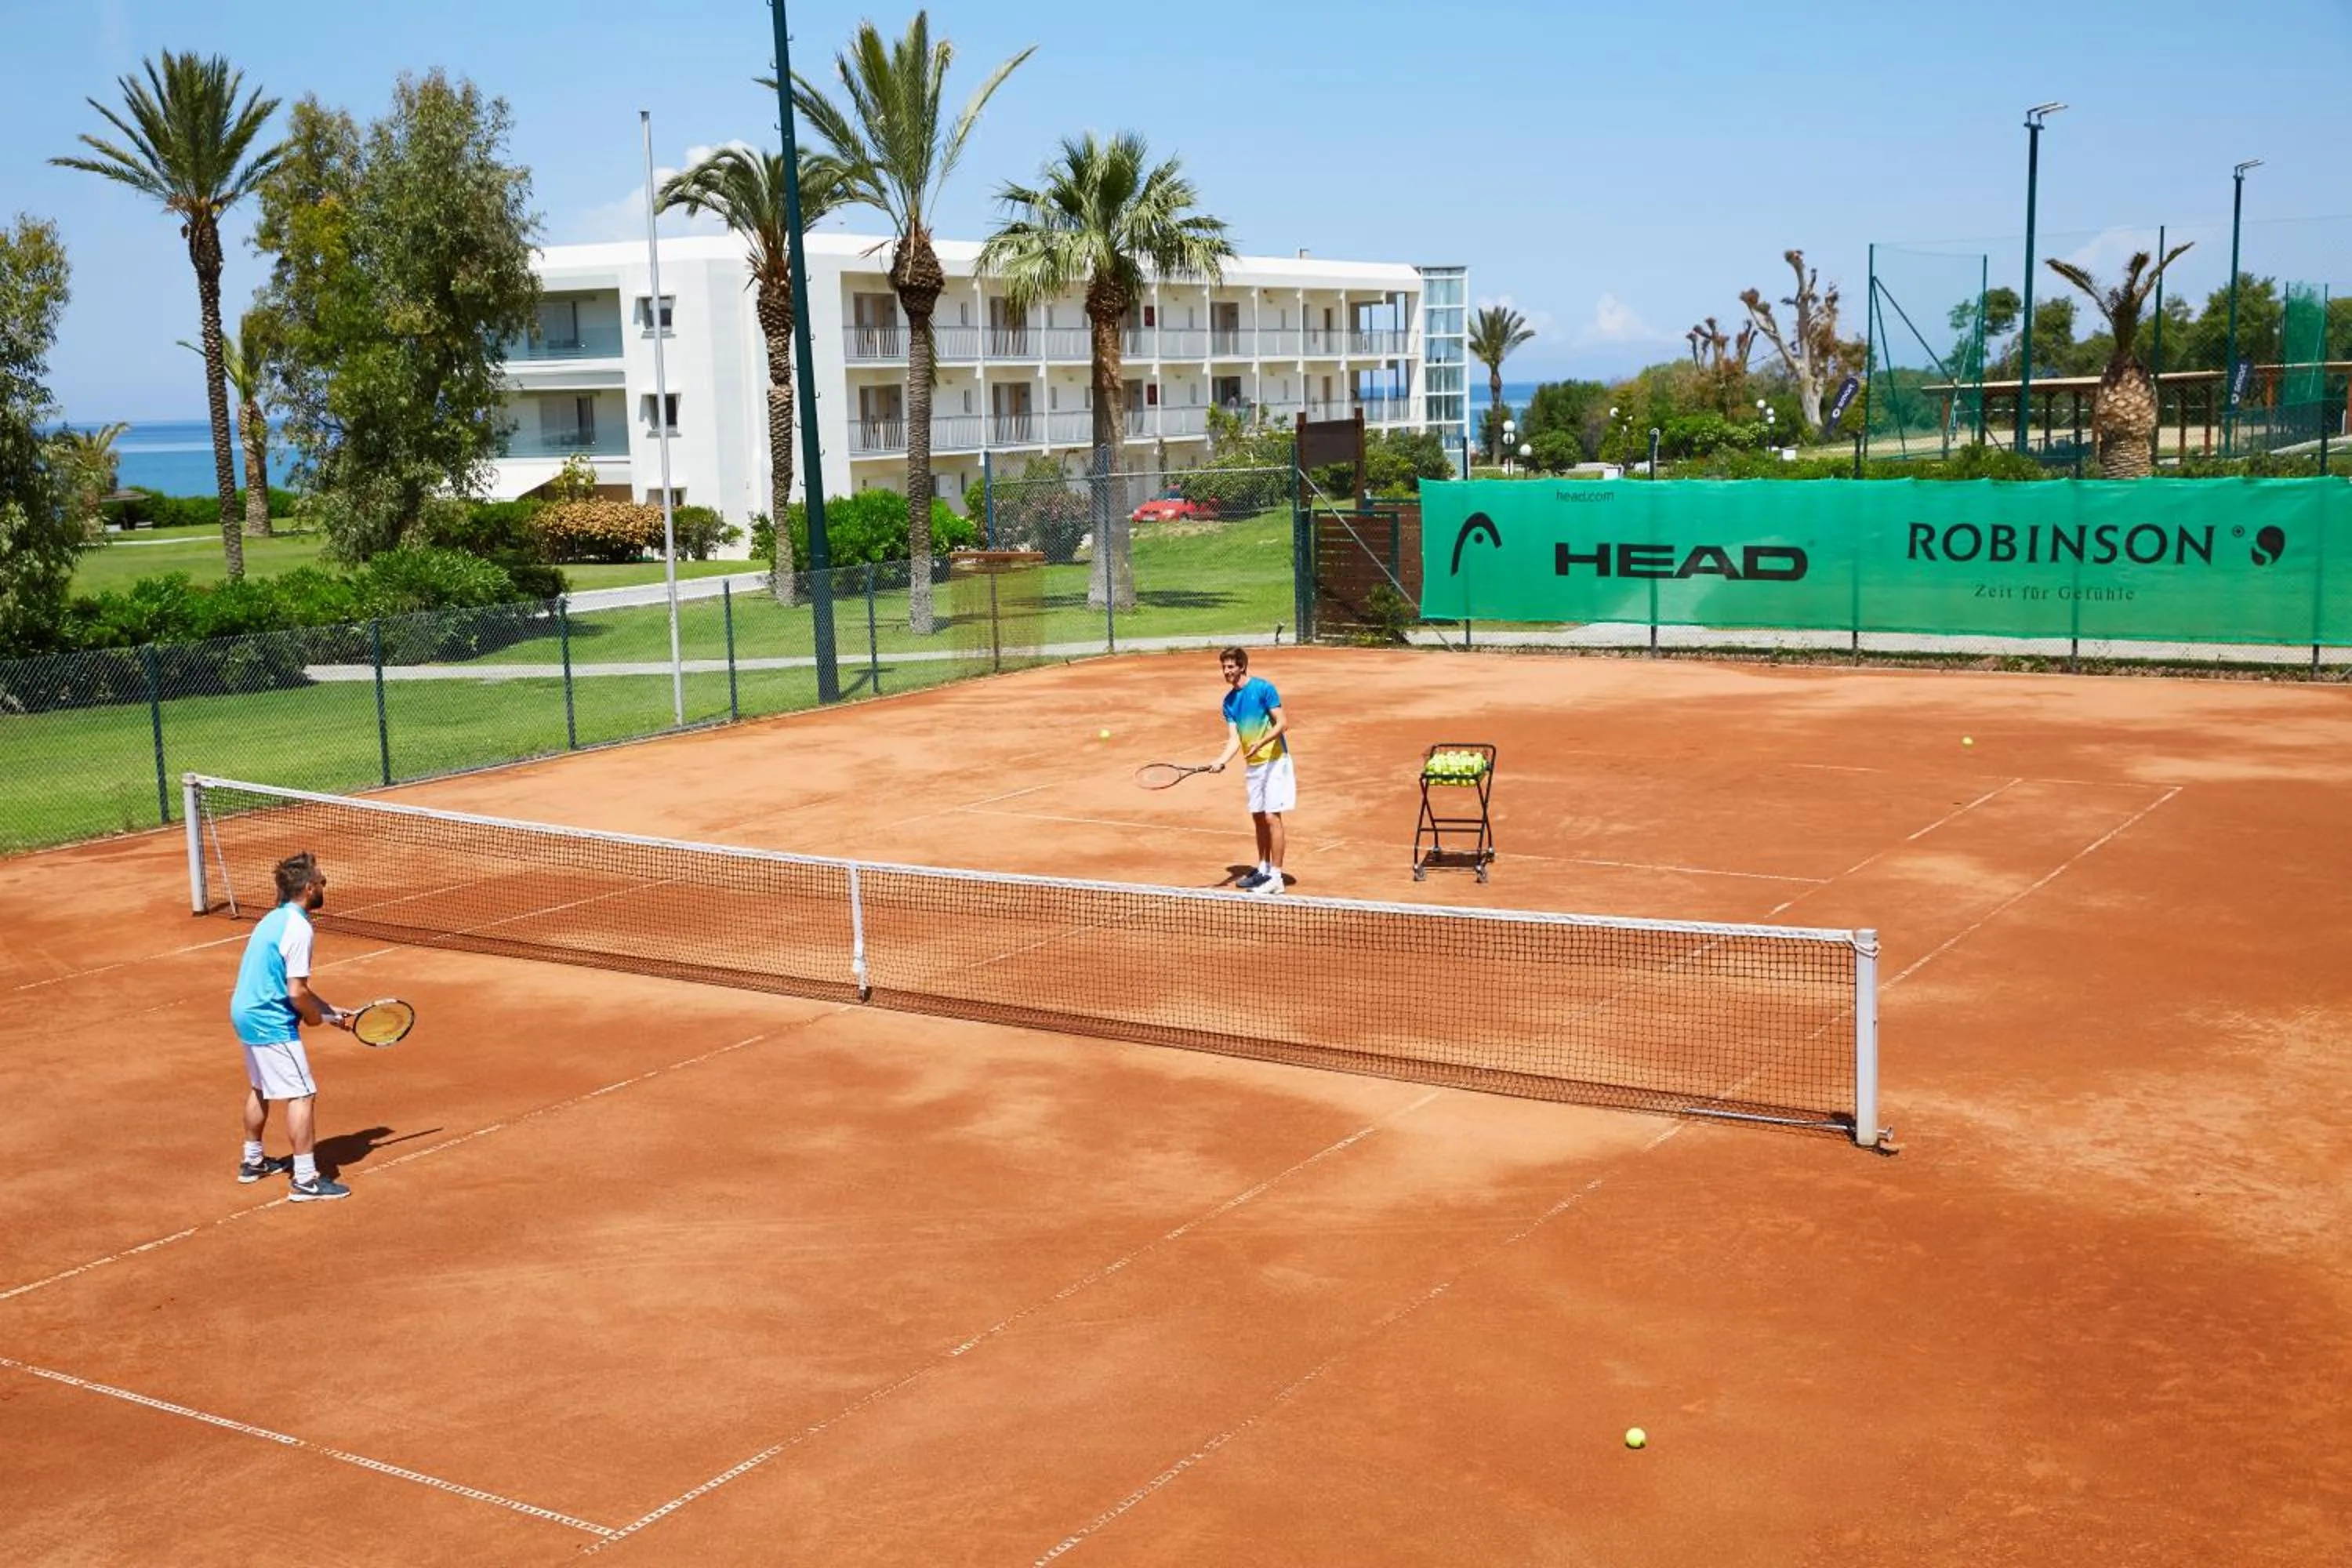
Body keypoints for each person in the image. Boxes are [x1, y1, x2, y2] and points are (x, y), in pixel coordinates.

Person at [229, 851, 354, 1201]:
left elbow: (294, 986)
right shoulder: (300, 928)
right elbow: (296, 992)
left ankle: (252, 1162)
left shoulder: (273, 919)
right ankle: (305, 1179)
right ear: (309, 887)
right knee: (302, 1093)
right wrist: (314, 1018)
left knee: (261, 1086)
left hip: (245, 1012)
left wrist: (328, 1012)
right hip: (270, 1020)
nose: (324, 886)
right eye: (323, 882)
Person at [1207, 646, 1294, 895]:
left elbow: (1283, 723)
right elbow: (1234, 739)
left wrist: (1261, 742)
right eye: (1224, 667)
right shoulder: (1228, 702)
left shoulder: (1264, 688)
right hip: (1254, 764)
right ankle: (1264, 868)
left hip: (1275, 760)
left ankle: (1276, 877)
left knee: (1271, 817)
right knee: (1257, 816)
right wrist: (1221, 760)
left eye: (1231, 666)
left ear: (1242, 666)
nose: (1227, 671)